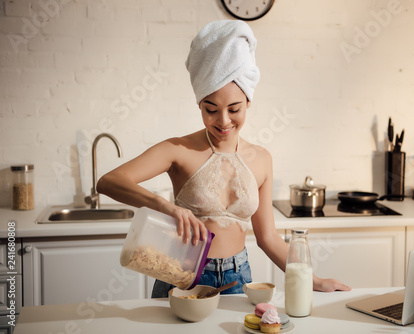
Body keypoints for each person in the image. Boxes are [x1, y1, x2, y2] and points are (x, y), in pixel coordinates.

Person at [97, 20, 351, 296]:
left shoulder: (262, 159)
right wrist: (167, 208)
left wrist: (313, 281)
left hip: (238, 278)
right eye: (210, 109)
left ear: (248, 102)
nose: (223, 121)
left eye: (234, 108)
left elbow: (268, 238)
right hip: (182, 276)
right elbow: (109, 182)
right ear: (199, 104)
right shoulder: (178, 150)